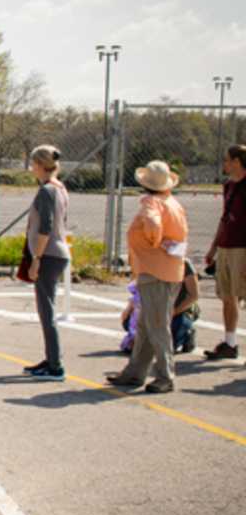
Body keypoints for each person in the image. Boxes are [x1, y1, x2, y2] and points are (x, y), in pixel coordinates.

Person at [107, 160, 189, 394]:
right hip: (167, 270)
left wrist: (154, 240)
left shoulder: (151, 202)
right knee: (145, 325)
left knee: (156, 326)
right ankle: (135, 372)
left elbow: (153, 224)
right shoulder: (172, 203)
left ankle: (165, 375)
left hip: (155, 270)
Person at [22, 145, 70, 381]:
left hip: (49, 254)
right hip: (57, 252)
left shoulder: (47, 192)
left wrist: (36, 259)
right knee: (46, 307)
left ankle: (55, 364)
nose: (32, 168)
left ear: (40, 165)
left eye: (33, 164)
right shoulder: (59, 188)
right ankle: (51, 358)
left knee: (46, 309)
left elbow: (45, 227)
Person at [203, 144, 246, 360]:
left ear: (238, 161)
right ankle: (230, 343)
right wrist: (213, 248)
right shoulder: (229, 186)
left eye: (228, 160)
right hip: (226, 247)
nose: (225, 164)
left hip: (242, 248)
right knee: (228, 297)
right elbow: (224, 218)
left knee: (242, 294)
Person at [119, 257, 199, 354]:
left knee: (166, 346)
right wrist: (130, 309)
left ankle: (187, 334)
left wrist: (173, 312)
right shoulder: (149, 259)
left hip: (179, 311)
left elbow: (194, 296)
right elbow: (139, 291)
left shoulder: (183, 263)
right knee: (128, 322)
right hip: (155, 311)